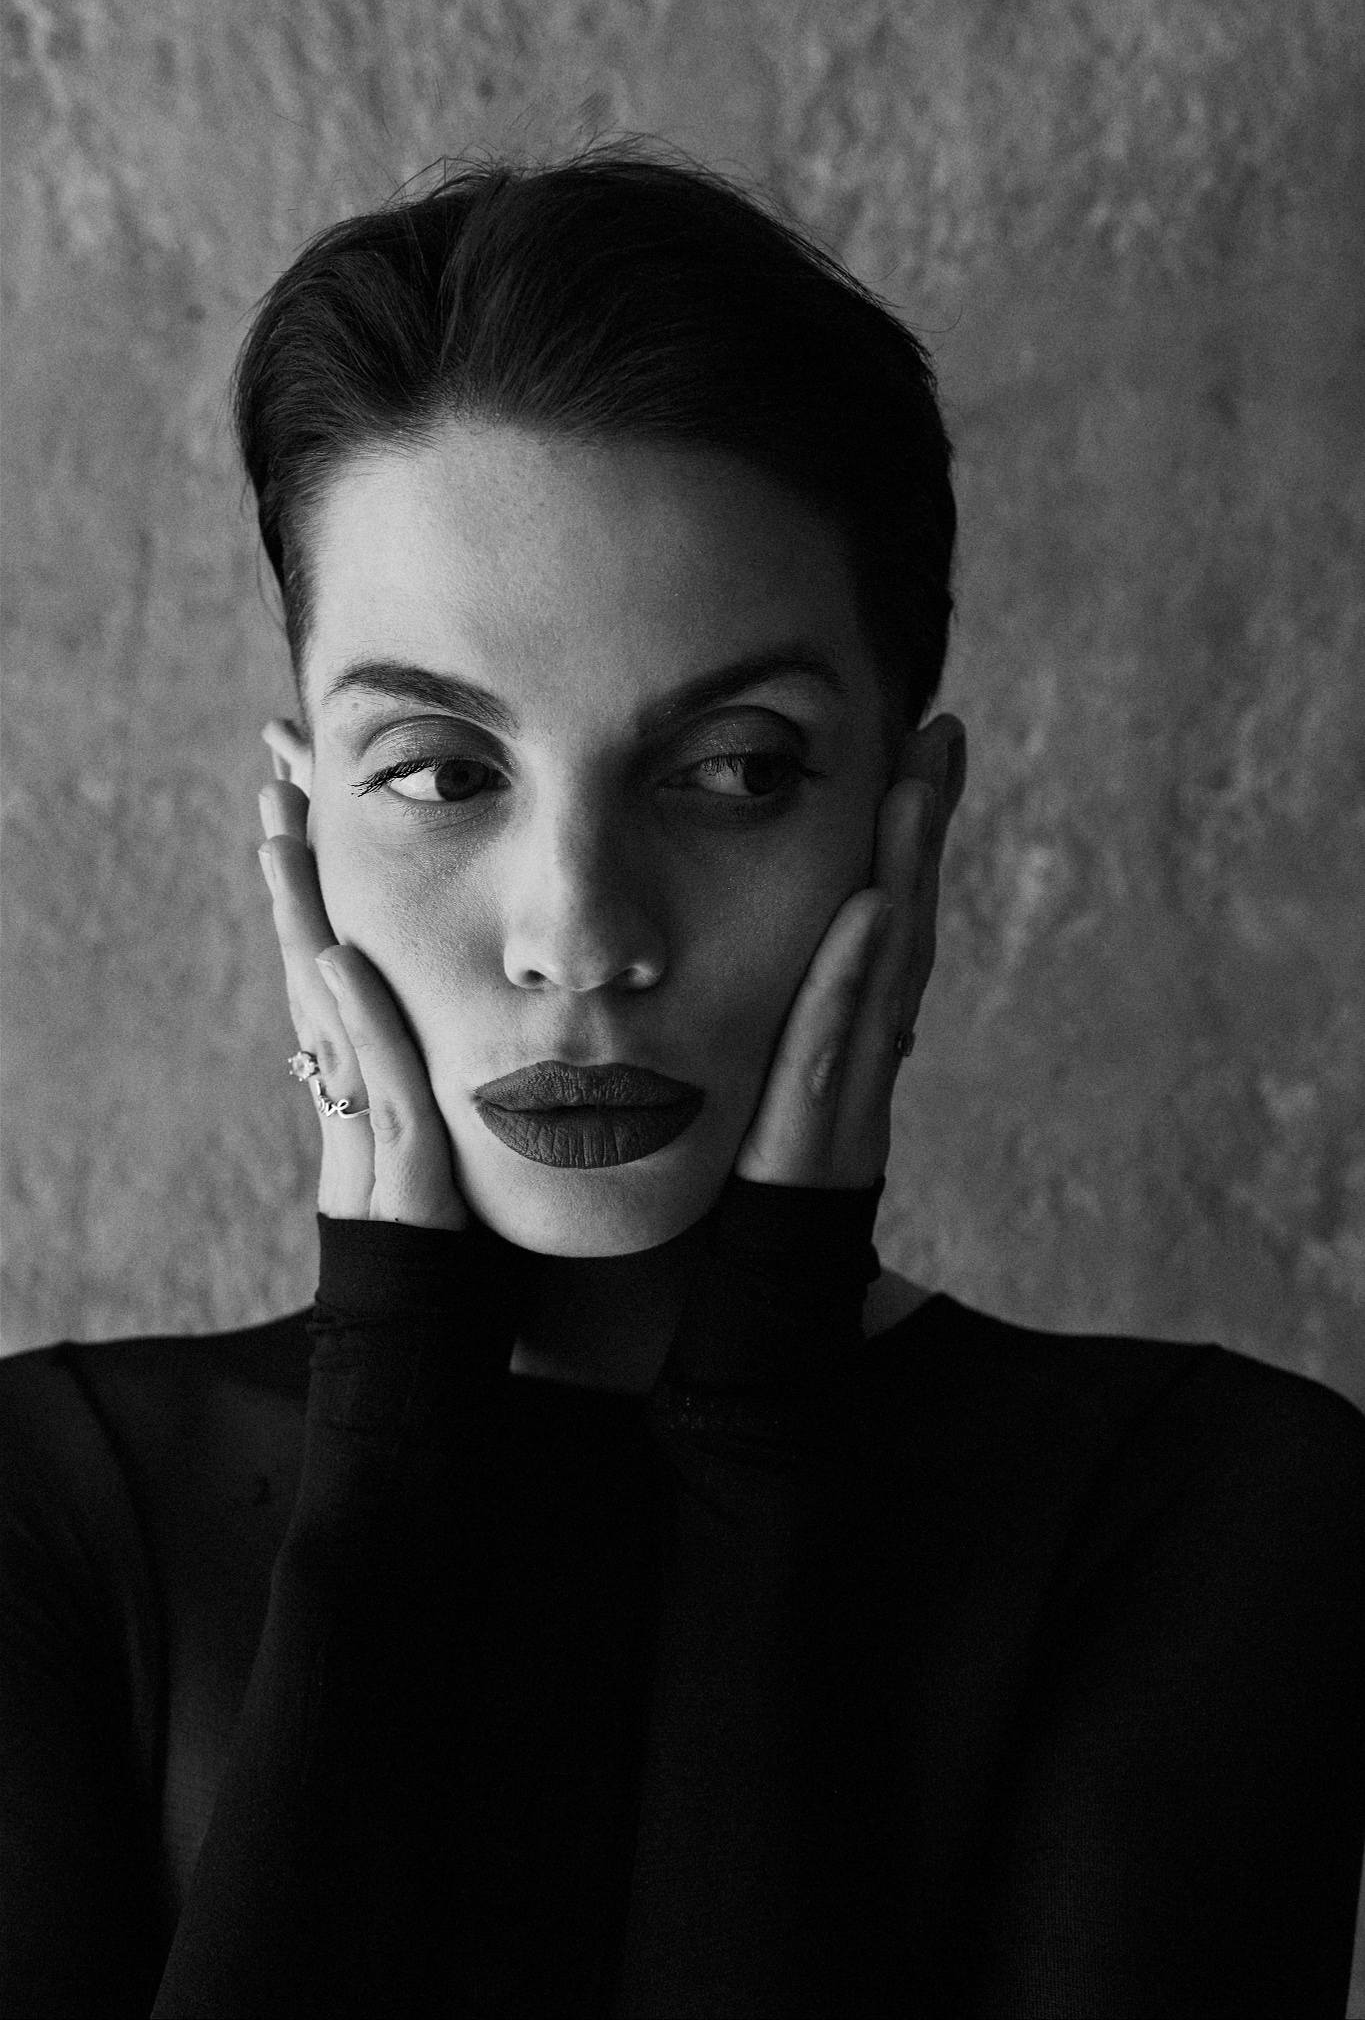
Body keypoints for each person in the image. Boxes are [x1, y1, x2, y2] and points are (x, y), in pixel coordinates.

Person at [2, 140, 1363, 2020]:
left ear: (907, 814)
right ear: (301, 827)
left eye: (733, 770)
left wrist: (759, 1446)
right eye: (441, 773)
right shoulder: (48, 1515)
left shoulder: (1212, 1511)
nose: (578, 933)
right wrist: (385, 1456)